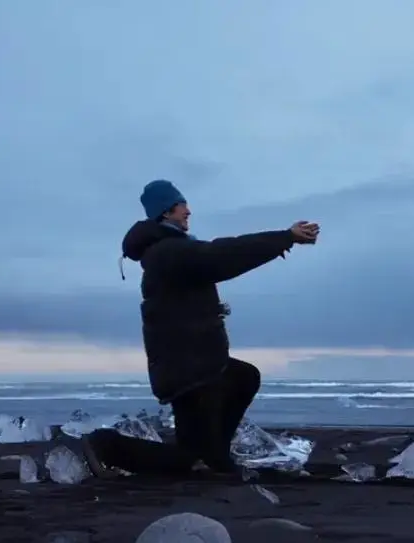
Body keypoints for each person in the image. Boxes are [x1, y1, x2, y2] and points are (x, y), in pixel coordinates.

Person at [81, 179, 319, 478]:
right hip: (189, 371)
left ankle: (216, 456)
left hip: (196, 362)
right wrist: (285, 237)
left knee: (243, 376)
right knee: (185, 459)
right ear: (166, 211)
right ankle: (105, 446)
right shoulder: (168, 252)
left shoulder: (168, 252)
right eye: (182, 205)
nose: (188, 210)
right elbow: (223, 255)